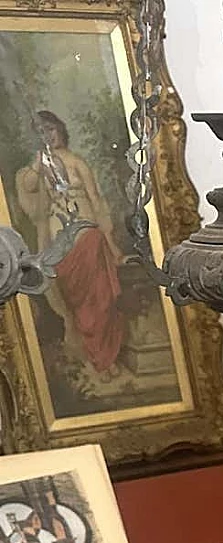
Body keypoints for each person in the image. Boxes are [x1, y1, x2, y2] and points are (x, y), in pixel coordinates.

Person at [15, 109, 125, 378]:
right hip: (61, 243)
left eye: (51, 129)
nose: (49, 136)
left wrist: (111, 243)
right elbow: (27, 187)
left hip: (89, 236)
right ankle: (91, 358)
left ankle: (106, 359)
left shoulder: (77, 162)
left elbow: (96, 200)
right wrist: (37, 165)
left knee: (99, 300)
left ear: (61, 129)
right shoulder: (42, 165)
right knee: (74, 301)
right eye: (42, 132)